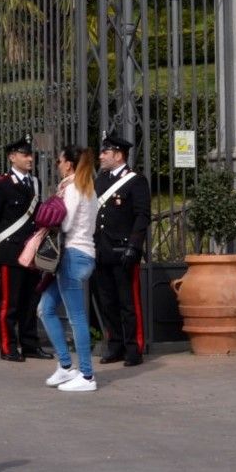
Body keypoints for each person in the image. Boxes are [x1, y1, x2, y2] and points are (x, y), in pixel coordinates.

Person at [0, 135, 50, 362]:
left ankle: (30, 344)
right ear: (12, 157)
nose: (30, 159)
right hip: (10, 251)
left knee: (30, 301)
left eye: (31, 154)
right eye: (25, 154)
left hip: (32, 250)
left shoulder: (36, 183)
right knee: (9, 303)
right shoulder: (2, 184)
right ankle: (8, 346)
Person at [38, 145, 99, 392]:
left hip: (73, 255)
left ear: (69, 164)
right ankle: (65, 366)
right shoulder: (86, 188)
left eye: (59, 161)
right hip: (80, 255)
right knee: (45, 308)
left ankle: (86, 375)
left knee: (76, 318)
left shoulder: (74, 188)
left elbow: (65, 223)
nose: (57, 164)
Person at [92, 133, 152, 367]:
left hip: (124, 250)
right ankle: (114, 344)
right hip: (103, 250)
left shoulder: (136, 181)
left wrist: (134, 246)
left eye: (105, 152)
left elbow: (142, 216)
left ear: (118, 155)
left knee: (128, 302)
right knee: (108, 302)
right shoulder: (101, 180)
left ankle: (133, 348)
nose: (101, 156)